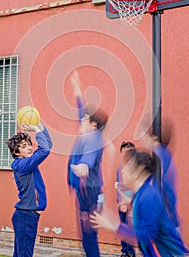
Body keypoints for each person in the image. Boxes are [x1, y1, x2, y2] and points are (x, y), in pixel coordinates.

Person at [90, 149, 189, 257]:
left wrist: (115, 227)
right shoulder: (142, 194)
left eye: (127, 167)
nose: (123, 171)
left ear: (139, 170)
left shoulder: (148, 197)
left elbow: (146, 236)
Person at [67, 70, 108, 257]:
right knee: (88, 234)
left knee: (89, 234)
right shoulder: (90, 133)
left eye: (85, 120)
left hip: (89, 191)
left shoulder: (93, 138)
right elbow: (82, 110)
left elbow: (88, 159)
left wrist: (83, 166)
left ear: (93, 125)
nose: (81, 121)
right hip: (88, 190)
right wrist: (77, 89)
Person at [6, 121, 53, 257]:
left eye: (29, 144)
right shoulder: (22, 165)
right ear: (16, 152)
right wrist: (37, 131)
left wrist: (41, 128)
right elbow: (45, 150)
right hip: (26, 216)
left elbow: (48, 145)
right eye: (24, 146)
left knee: (21, 254)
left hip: (26, 215)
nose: (29, 148)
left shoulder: (27, 163)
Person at [140, 128, 180, 229]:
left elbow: (159, 180)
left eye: (146, 137)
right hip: (167, 207)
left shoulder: (160, 155)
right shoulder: (164, 154)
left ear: (154, 138)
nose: (143, 139)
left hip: (163, 206)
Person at [115, 141, 136, 257]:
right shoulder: (120, 168)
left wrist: (126, 203)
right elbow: (119, 185)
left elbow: (133, 187)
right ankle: (124, 252)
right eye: (124, 151)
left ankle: (131, 253)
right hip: (121, 204)